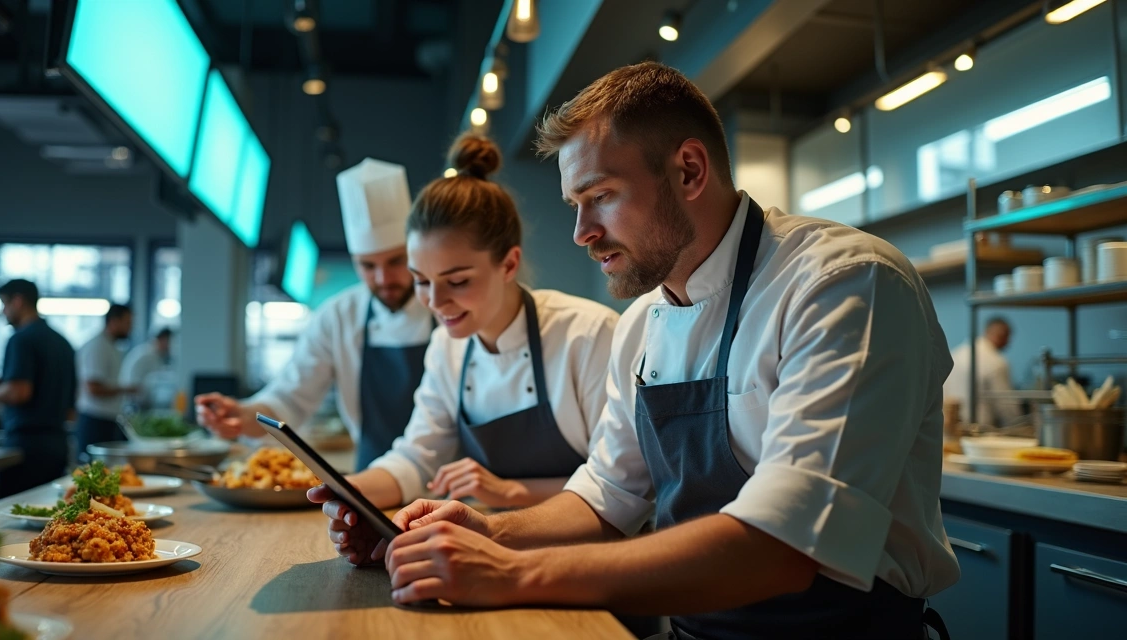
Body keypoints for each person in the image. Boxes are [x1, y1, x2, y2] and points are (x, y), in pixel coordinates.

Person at [316, 63, 959, 639]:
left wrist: (512, 572)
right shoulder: (643, 324)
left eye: (600, 197)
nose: (581, 232)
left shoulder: (843, 283)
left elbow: (784, 548)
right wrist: (479, 530)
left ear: (688, 170)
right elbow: (607, 496)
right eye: (575, 204)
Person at [310, 134, 618, 512]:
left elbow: (619, 485)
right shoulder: (447, 347)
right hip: (494, 544)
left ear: (508, 264)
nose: (435, 303)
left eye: (457, 281)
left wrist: (510, 492)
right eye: (421, 281)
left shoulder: (586, 335)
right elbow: (417, 458)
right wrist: (348, 490)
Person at [196, 158, 438, 472]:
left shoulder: (448, 306)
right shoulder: (338, 317)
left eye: (395, 261)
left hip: (455, 486)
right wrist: (241, 416)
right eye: (367, 265)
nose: (383, 278)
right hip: (373, 479)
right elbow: (291, 399)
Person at [0, 279, 76, 497]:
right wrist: (2, 384)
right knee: (51, 516)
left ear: (18, 301)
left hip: (27, 447)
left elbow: (19, 392)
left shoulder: (21, 340)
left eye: (4, 304)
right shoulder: (62, 342)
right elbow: (69, 405)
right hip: (57, 444)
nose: (3, 311)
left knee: (13, 514)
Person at [76, 303, 136, 456]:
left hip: (107, 419)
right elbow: (93, 388)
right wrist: (125, 389)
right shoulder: (98, 346)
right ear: (114, 321)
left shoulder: (111, 345)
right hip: (94, 420)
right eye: (127, 323)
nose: (130, 328)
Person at [944, 317, 1024, 426]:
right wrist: (1019, 426)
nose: (1008, 342)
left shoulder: (956, 354)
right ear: (1003, 335)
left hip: (952, 426)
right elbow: (1006, 405)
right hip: (981, 428)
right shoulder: (996, 361)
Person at [120, 327, 173, 410]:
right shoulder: (150, 355)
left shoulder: (148, 351)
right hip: (133, 401)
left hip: (134, 398)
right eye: (169, 341)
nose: (170, 346)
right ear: (162, 339)